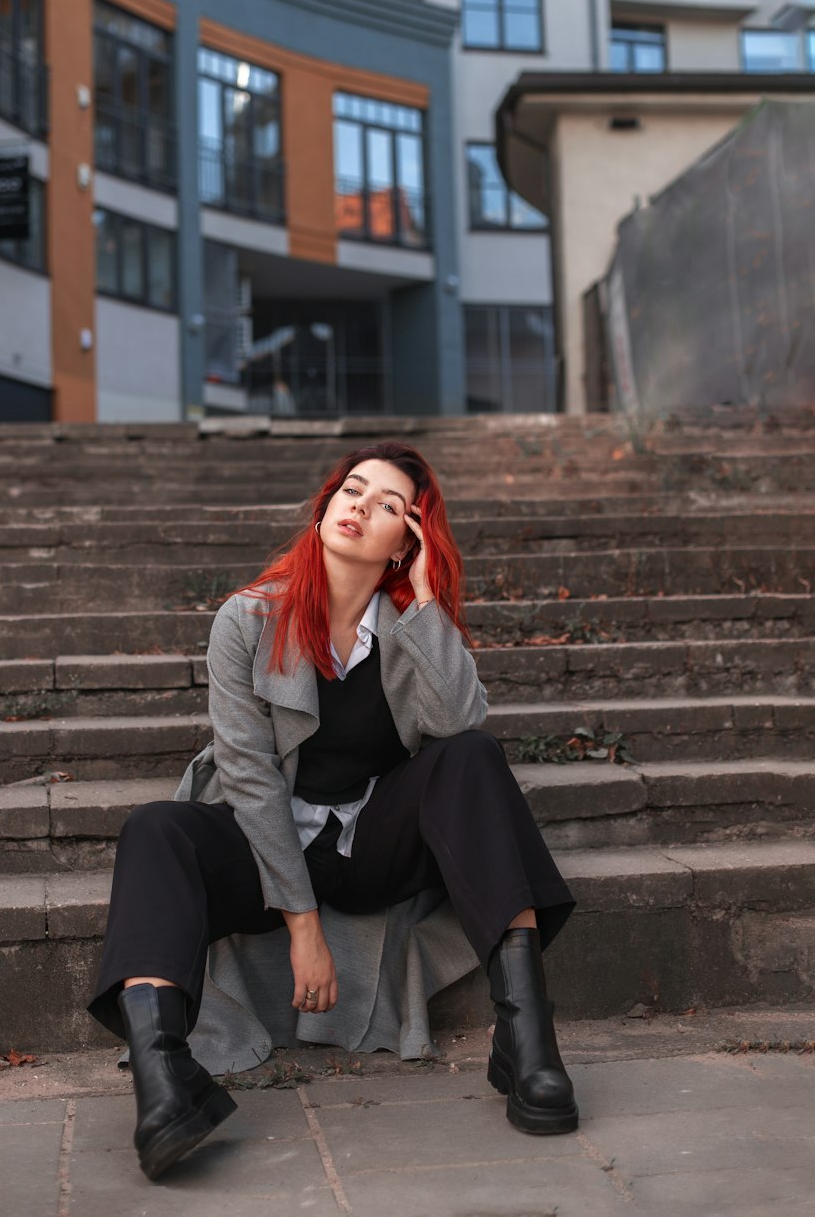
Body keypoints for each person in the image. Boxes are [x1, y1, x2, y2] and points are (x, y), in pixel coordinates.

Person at [88, 441, 578, 1181]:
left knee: (473, 757)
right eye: (353, 490)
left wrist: (422, 602)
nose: (361, 506)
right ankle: (165, 1085)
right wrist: (302, 926)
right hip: (264, 849)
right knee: (155, 827)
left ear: (406, 540)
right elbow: (249, 778)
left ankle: (528, 1041)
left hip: (368, 848)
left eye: (390, 506)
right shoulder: (247, 621)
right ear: (324, 507)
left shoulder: (407, 626)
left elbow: (460, 716)